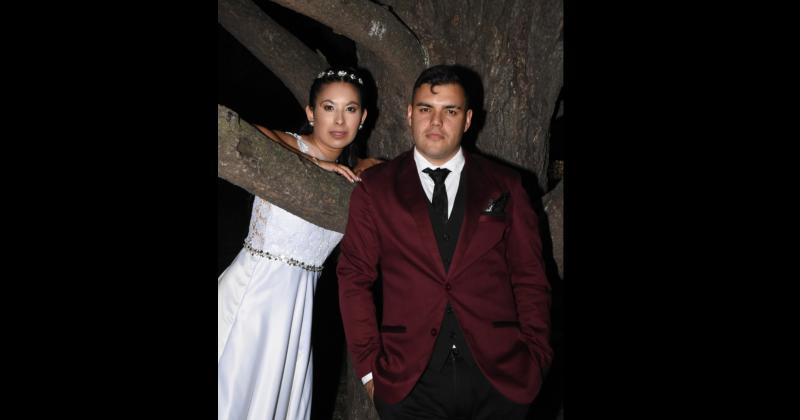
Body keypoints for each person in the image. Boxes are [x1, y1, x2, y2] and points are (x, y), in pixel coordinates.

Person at [337, 64, 553, 419]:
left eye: (449, 111)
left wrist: (537, 357)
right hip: (409, 381)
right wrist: (368, 371)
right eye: (425, 109)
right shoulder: (375, 189)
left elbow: (530, 276)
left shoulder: (506, 184)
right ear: (409, 114)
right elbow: (354, 278)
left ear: (467, 120)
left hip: (501, 378)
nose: (436, 122)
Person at [218, 67, 370, 420]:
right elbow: (244, 133)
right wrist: (315, 163)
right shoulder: (289, 146)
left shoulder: (355, 174)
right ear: (310, 112)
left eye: (350, 110)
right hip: (252, 298)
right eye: (328, 107)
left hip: (298, 310)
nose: (339, 120)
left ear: (362, 118)